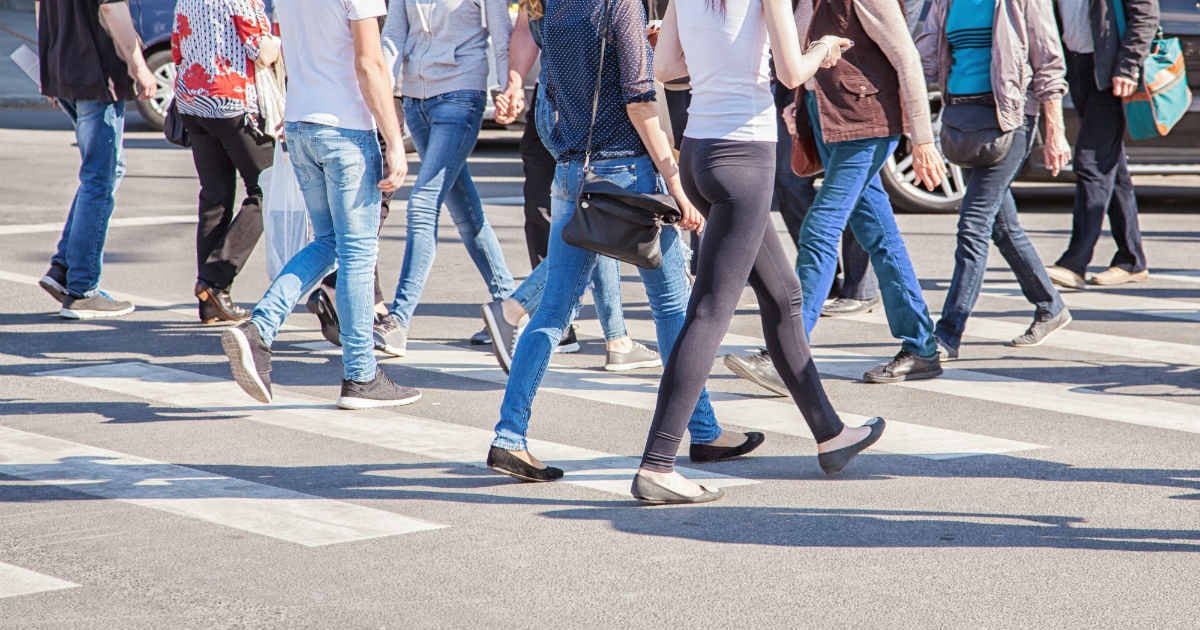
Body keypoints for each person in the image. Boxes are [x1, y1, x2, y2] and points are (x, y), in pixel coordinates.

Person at [485, 0, 765, 484]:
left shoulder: (555, 6)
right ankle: (700, 432)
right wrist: (675, 182)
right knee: (673, 309)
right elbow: (639, 101)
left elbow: (560, 88)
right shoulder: (620, 5)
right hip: (628, 174)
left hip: (573, 170)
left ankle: (509, 436)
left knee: (551, 313)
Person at [631, 0, 883, 505]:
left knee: (784, 296)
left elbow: (666, 67)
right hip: (744, 153)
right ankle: (657, 464)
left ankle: (830, 434)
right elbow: (791, 73)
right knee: (709, 312)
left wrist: (715, 59)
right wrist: (823, 48)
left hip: (699, 150)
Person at [220, 0, 421, 411]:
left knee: (330, 243)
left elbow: (287, 50)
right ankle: (361, 375)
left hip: (301, 123)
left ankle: (261, 327)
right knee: (357, 253)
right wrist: (395, 141)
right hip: (346, 129)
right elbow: (370, 64)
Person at [484, 0, 661, 373]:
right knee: (599, 217)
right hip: (589, 109)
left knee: (598, 216)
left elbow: (528, 23)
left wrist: (514, 83)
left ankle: (617, 339)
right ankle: (514, 307)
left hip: (557, 102)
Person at [789, 0, 948, 385]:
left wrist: (923, 139)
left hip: (865, 123)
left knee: (820, 229)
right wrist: (797, 104)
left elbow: (906, 57)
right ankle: (922, 348)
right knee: (880, 235)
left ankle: (787, 354)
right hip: (827, 120)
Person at [917, 0, 1074, 359]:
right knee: (1003, 226)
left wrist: (1055, 131)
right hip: (962, 121)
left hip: (1009, 120)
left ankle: (948, 333)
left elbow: (1049, 62)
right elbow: (925, 57)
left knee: (973, 224)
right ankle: (1050, 305)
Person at [374, 0, 517, 357]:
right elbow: (393, 35)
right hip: (415, 100)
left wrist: (506, 88)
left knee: (422, 204)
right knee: (466, 211)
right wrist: (380, 91)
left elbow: (501, 33)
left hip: (460, 95)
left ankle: (398, 321)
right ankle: (509, 308)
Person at [34, 0, 156, 319]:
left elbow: (40, 8)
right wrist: (139, 66)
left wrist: (47, 68)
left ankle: (64, 268)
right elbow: (112, 9)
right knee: (99, 179)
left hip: (64, 67)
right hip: (96, 73)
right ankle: (82, 288)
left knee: (105, 172)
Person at [172, 0, 279, 324]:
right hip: (232, 102)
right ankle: (214, 281)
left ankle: (210, 303)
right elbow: (261, 51)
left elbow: (177, 49)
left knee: (214, 198)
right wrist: (282, 40)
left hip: (192, 100)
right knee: (268, 190)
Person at [1044, 0, 1156, 289]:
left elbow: (1145, 14)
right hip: (1077, 65)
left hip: (1110, 69)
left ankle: (1074, 263)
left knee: (1091, 161)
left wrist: (1128, 65)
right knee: (1111, 165)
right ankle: (1132, 260)